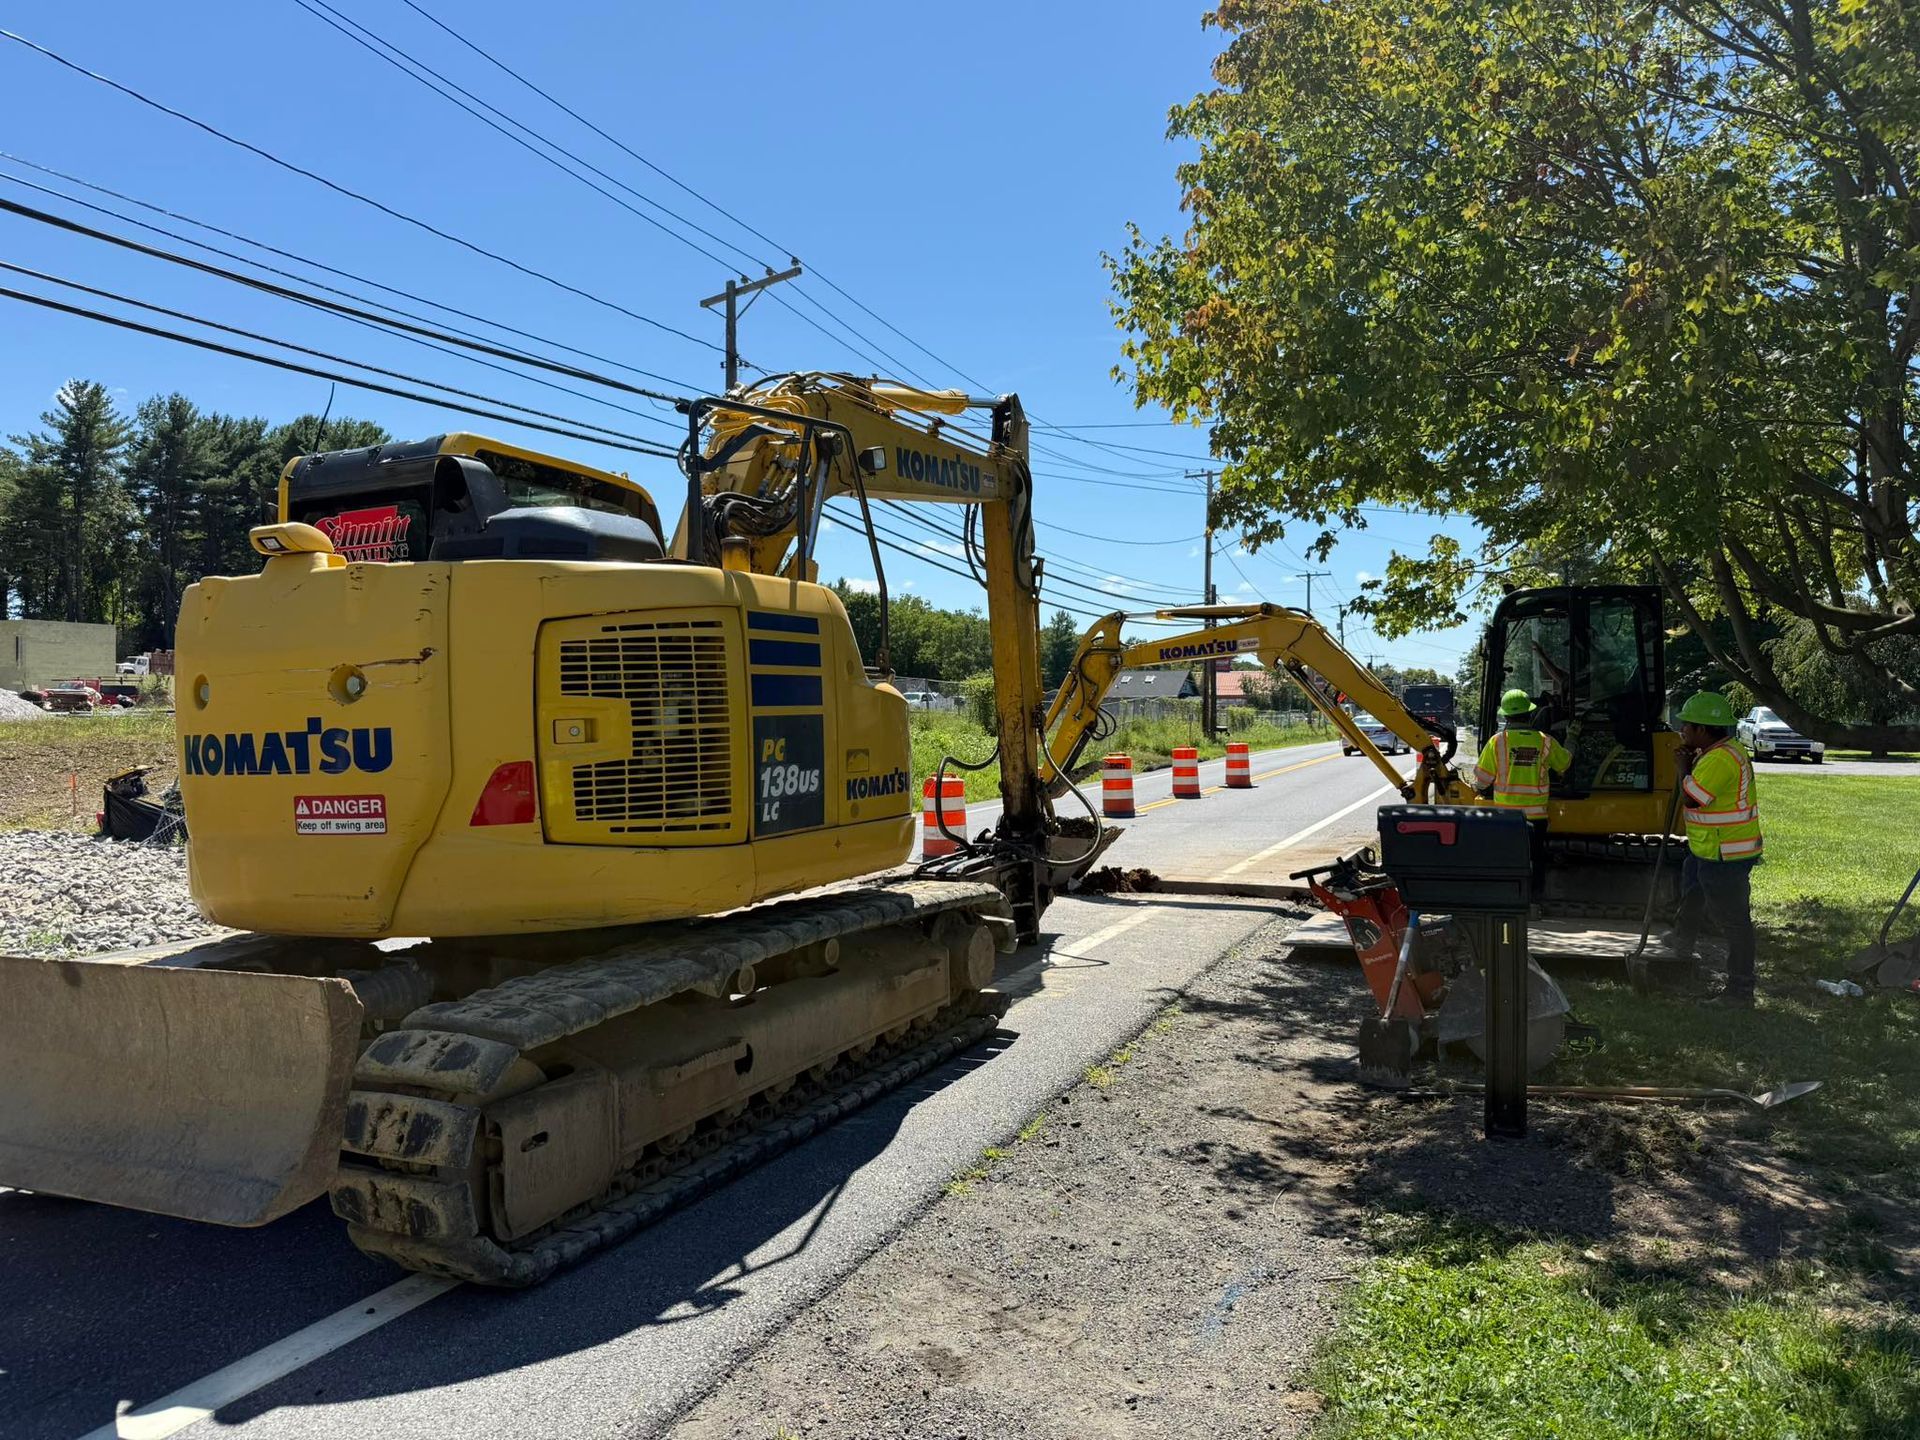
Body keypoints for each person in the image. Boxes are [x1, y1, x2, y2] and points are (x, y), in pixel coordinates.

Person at [1667, 691, 1763, 1005]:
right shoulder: (1716, 752)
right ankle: (1683, 939)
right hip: (1708, 847)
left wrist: (1683, 767)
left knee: (1734, 921)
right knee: (1691, 887)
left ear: (1704, 730)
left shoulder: (1721, 758)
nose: (1682, 731)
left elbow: (1695, 798)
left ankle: (1740, 989)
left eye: (1687, 727)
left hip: (1726, 853)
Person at [1473, 688, 1573, 887]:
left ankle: (1510, 896)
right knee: (1537, 860)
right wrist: (1572, 739)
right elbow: (1564, 765)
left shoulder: (1497, 742)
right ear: (1530, 714)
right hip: (1537, 818)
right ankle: (1537, 899)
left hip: (1506, 817)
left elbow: (1483, 780)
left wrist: (1476, 787)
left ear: (1507, 716)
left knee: (1508, 859)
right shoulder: (1545, 741)